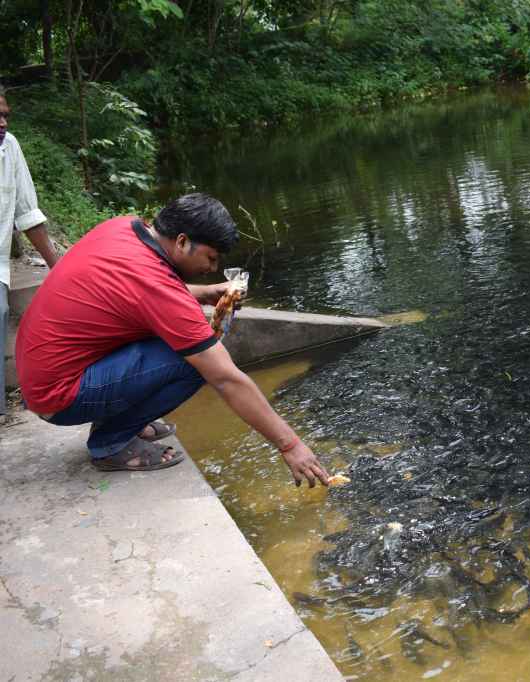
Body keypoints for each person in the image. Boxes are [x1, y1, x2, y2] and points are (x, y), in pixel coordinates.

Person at [15, 193, 330, 486]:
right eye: (210, 257)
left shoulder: (123, 227)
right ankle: (111, 443)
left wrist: (206, 293)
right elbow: (226, 379)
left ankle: (121, 421)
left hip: (41, 376)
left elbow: (140, 293)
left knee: (185, 345)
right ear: (182, 241)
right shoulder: (155, 286)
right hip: (57, 397)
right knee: (199, 362)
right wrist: (290, 444)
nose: (213, 268)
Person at [0, 89, 60, 418]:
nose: (3, 122)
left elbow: (27, 213)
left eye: (6, 114)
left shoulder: (10, 147)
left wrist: (59, 267)